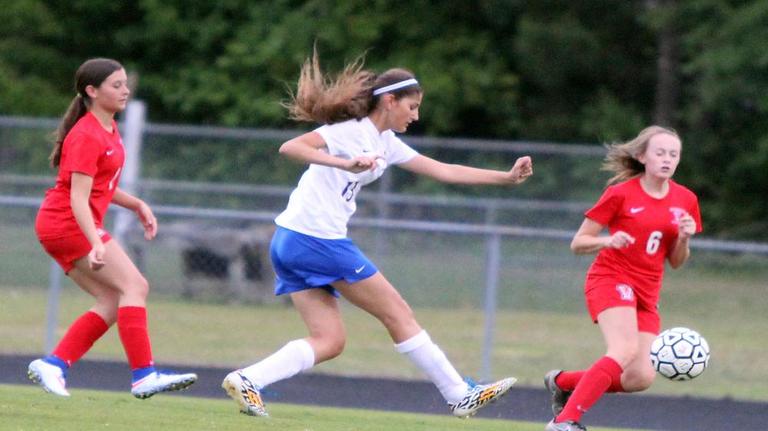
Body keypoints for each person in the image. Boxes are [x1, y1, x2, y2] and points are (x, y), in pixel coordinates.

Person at [221, 51, 533, 418]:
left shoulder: (385, 141)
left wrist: (505, 177)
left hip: (291, 240)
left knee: (330, 340)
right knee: (399, 314)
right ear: (390, 101)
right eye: (412, 106)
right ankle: (458, 394)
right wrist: (343, 161)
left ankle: (248, 379)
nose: (415, 115)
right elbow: (291, 147)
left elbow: (443, 170)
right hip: (316, 240)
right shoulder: (348, 132)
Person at [28, 58, 197, 399]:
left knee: (111, 299)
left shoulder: (108, 128)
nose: (125, 90)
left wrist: (135, 204)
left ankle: (55, 364)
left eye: (125, 84)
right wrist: (96, 241)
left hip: (64, 224)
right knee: (136, 285)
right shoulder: (87, 134)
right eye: (116, 85)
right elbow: (78, 198)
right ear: (92, 91)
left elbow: (99, 186)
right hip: (67, 223)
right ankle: (143, 376)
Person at [543, 126, 702, 431]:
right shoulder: (621, 194)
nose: (667, 159)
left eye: (674, 154)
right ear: (642, 156)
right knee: (624, 350)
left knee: (640, 377)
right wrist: (606, 241)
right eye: (660, 152)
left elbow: (677, 262)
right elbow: (578, 243)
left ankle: (563, 383)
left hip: (647, 292)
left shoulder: (686, 200)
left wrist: (684, 238)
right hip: (610, 278)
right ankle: (564, 422)